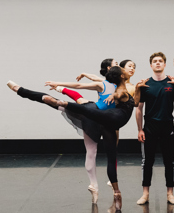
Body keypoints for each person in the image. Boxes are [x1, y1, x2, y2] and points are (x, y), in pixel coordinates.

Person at [8, 66, 141, 210]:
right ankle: (116, 192)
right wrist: (113, 96)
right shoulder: (117, 88)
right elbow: (115, 92)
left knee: (79, 107)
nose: (128, 70)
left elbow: (132, 101)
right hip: (107, 119)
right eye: (124, 69)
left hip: (102, 115)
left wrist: (137, 89)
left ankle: (24, 91)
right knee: (110, 155)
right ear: (121, 76)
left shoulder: (115, 85)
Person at [41, 58, 118, 204]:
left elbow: (91, 78)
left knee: (105, 151)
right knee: (92, 150)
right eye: (116, 64)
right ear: (109, 69)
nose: (118, 66)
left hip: (108, 119)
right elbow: (79, 85)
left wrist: (83, 73)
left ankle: (106, 185)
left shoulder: (118, 84)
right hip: (97, 117)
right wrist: (59, 83)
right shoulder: (104, 83)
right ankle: (94, 185)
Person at [136, 52, 174, 205]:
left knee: (170, 161)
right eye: (154, 61)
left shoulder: (172, 83)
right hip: (149, 128)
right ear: (151, 65)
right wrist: (140, 129)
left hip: (167, 126)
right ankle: (145, 194)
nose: (157, 63)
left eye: (160, 61)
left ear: (164, 64)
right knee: (147, 161)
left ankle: (170, 194)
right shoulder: (145, 84)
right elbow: (139, 108)